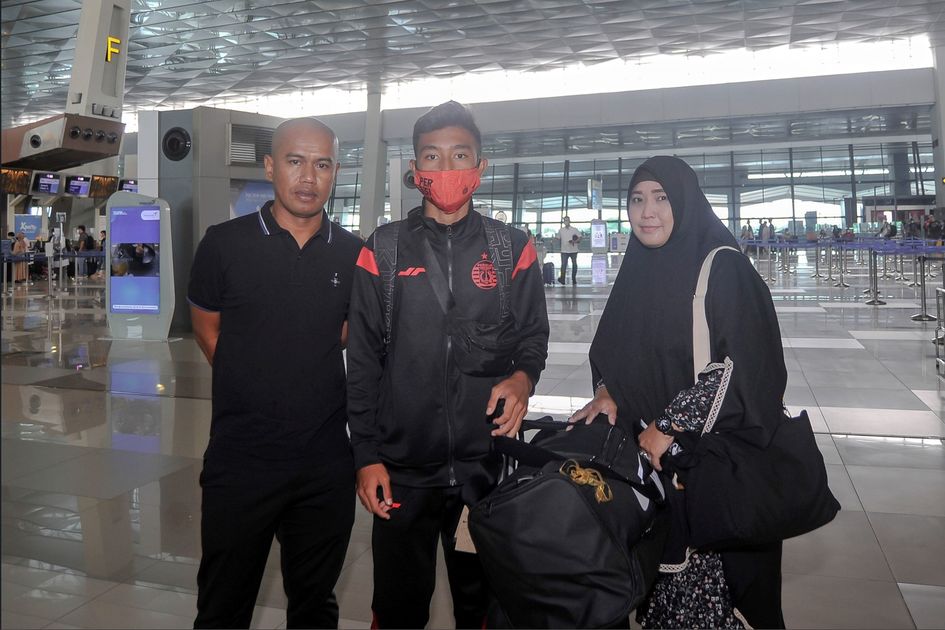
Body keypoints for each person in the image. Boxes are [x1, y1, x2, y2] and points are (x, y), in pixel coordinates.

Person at [347, 100, 549, 629]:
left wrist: (523, 377)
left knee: (482, 607)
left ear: (480, 166)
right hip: (402, 470)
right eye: (432, 156)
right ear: (416, 169)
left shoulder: (512, 248)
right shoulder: (382, 250)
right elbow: (363, 362)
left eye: (460, 155)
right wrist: (366, 456)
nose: (446, 168)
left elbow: (533, 336)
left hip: (486, 470)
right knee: (398, 609)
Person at [570, 156, 787, 629]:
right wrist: (608, 390)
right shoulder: (639, 270)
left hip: (711, 475)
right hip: (656, 479)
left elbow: (748, 369)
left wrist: (669, 425)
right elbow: (615, 348)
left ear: (686, 202)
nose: (647, 212)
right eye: (637, 199)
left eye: (662, 198)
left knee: (711, 610)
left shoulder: (724, 267)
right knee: (660, 603)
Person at [188, 117, 361, 629]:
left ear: (335, 173)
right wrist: (258, 379)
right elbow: (208, 331)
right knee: (222, 606)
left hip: (324, 464)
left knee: (315, 605)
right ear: (269, 167)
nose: (308, 177)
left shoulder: (354, 253)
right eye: (294, 161)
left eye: (322, 164)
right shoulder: (223, 244)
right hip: (242, 461)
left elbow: (344, 333)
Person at [557, 215, 581, 284]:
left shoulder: (574, 229)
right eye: (565, 220)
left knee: (574, 264)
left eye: (567, 220)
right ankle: (562, 279)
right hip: (564, 250)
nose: (566, 221)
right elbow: (558, 238)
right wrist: (554, 240)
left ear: (569, 221)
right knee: (563, 265)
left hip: (573, 250)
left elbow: (580, 237)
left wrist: (574, 241)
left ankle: (574, 279)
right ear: (563, 221)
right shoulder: (561, 230)